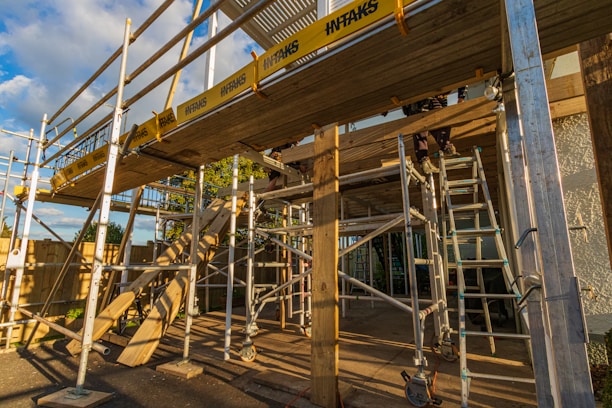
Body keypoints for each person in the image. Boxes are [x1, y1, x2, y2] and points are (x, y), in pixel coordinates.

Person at [403, 87, 467, 174]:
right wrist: (461, 97)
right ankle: (429, 157)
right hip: (420, 99)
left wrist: (461, 97)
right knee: (424, 125)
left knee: (438, 122)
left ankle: (428, 157)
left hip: (429, 98)